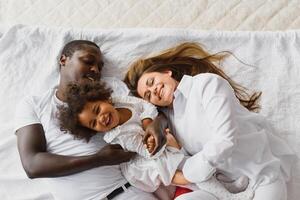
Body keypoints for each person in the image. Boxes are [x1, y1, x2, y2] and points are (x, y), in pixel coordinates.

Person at [124, 42, 297, 200]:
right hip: (222, 189)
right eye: (148, 95)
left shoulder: (206, 84)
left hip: (259, 174)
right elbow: (180, 160)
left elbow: (226, 140)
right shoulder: (170, 122)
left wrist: (190, 170)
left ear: (167, 72)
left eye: (151, 82)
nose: (154, 90)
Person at [58, 80, 254, 200]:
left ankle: (229, 186)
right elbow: (146, 150)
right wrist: (165, 142)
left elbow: (147, 107)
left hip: (158, 146)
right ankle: (231, 197)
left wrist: (147, 123)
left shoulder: (122, 102)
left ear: (105, 99)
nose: (101, 118)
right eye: (94, 123)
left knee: (198, 164)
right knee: (192, 172)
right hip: (147, 164)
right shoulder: (116, 134)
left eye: (98, 110)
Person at [14, 40, 158, 200]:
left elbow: (149, 110)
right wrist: (99, 159)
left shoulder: (111, 91)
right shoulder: (34, 105)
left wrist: (155, 126)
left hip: (126, 192)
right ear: (63, 60)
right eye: (88, 61)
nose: (95, 70)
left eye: (100, 67)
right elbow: (32, 165)